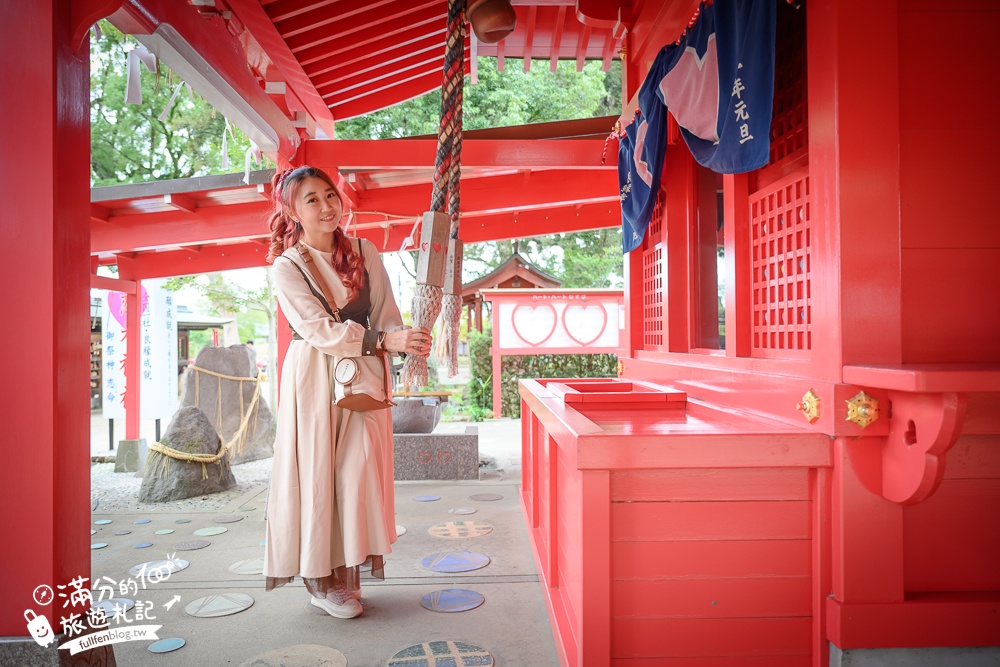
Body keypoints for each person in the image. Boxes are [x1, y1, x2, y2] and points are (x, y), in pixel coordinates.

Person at [262, 165, 432, 619]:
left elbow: (386, 313)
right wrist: (381, 340)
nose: (325, 206)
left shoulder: (364, 251)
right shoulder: (287, 265)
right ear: (292, 210)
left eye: (330, 195)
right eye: (311, 199)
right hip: (314, 376)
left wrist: (406, 339)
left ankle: (346, 572)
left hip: (363, 381)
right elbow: (316, 329)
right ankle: (320, 580)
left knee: (356, 472)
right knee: (318, 473)